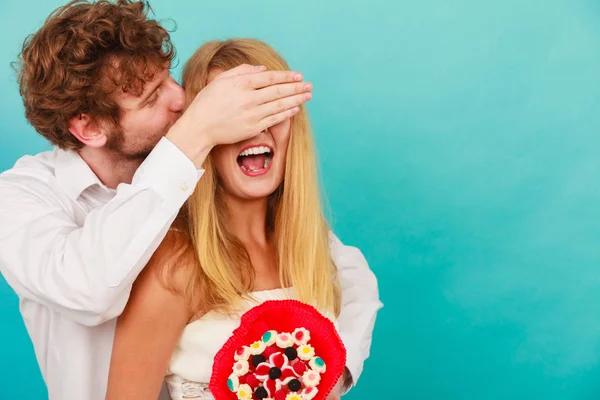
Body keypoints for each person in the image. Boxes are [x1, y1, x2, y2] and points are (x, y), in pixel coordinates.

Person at [0, 1, 382, 400]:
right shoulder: (21, 198)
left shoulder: (199, 183)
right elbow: (89, 290)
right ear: (89, 127)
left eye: (170, 79)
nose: (182, 102)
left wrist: (322, 374)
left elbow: (343, 271)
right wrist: (198, 131)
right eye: (151, 98)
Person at [106, 38, 376, 400]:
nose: (255, 128)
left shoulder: (316, 251)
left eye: (269, 107)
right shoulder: (176, 264)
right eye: (236, 114)